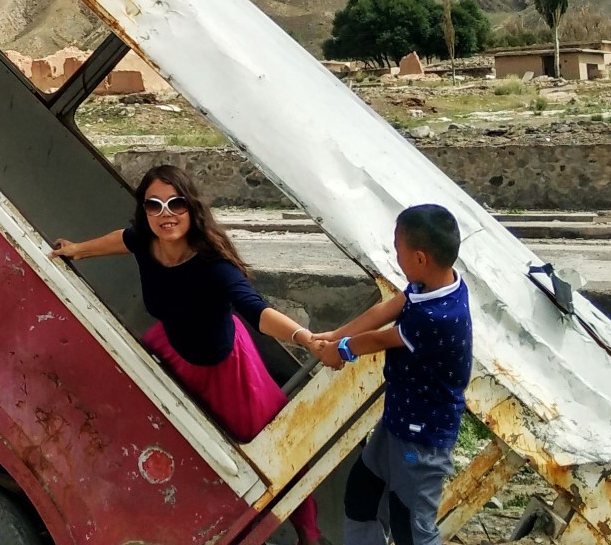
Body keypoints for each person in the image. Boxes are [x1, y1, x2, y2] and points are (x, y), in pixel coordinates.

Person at [54, 164, 323, 543]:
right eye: (154, 205)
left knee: (275, 458)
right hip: (173, 347)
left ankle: (308, 534)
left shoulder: (213, 266)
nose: (166, 214)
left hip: (223, 368)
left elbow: (255, 310)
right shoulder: (145, 242)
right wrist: (78, 250)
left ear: (191, 207)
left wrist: (305, 338)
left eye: (175, 203)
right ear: (144, 211)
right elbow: (123, 239)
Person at [309, 204, 473, 545]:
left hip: (420, 444)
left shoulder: (437, 315)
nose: (395, 255)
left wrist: (341, 350)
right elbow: (388, 308)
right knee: (362, 497)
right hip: (397, 424)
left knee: (411, 526)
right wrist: (336, 334)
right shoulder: (436, 283)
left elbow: (381, 338)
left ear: (420, 257)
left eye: (398, 249)